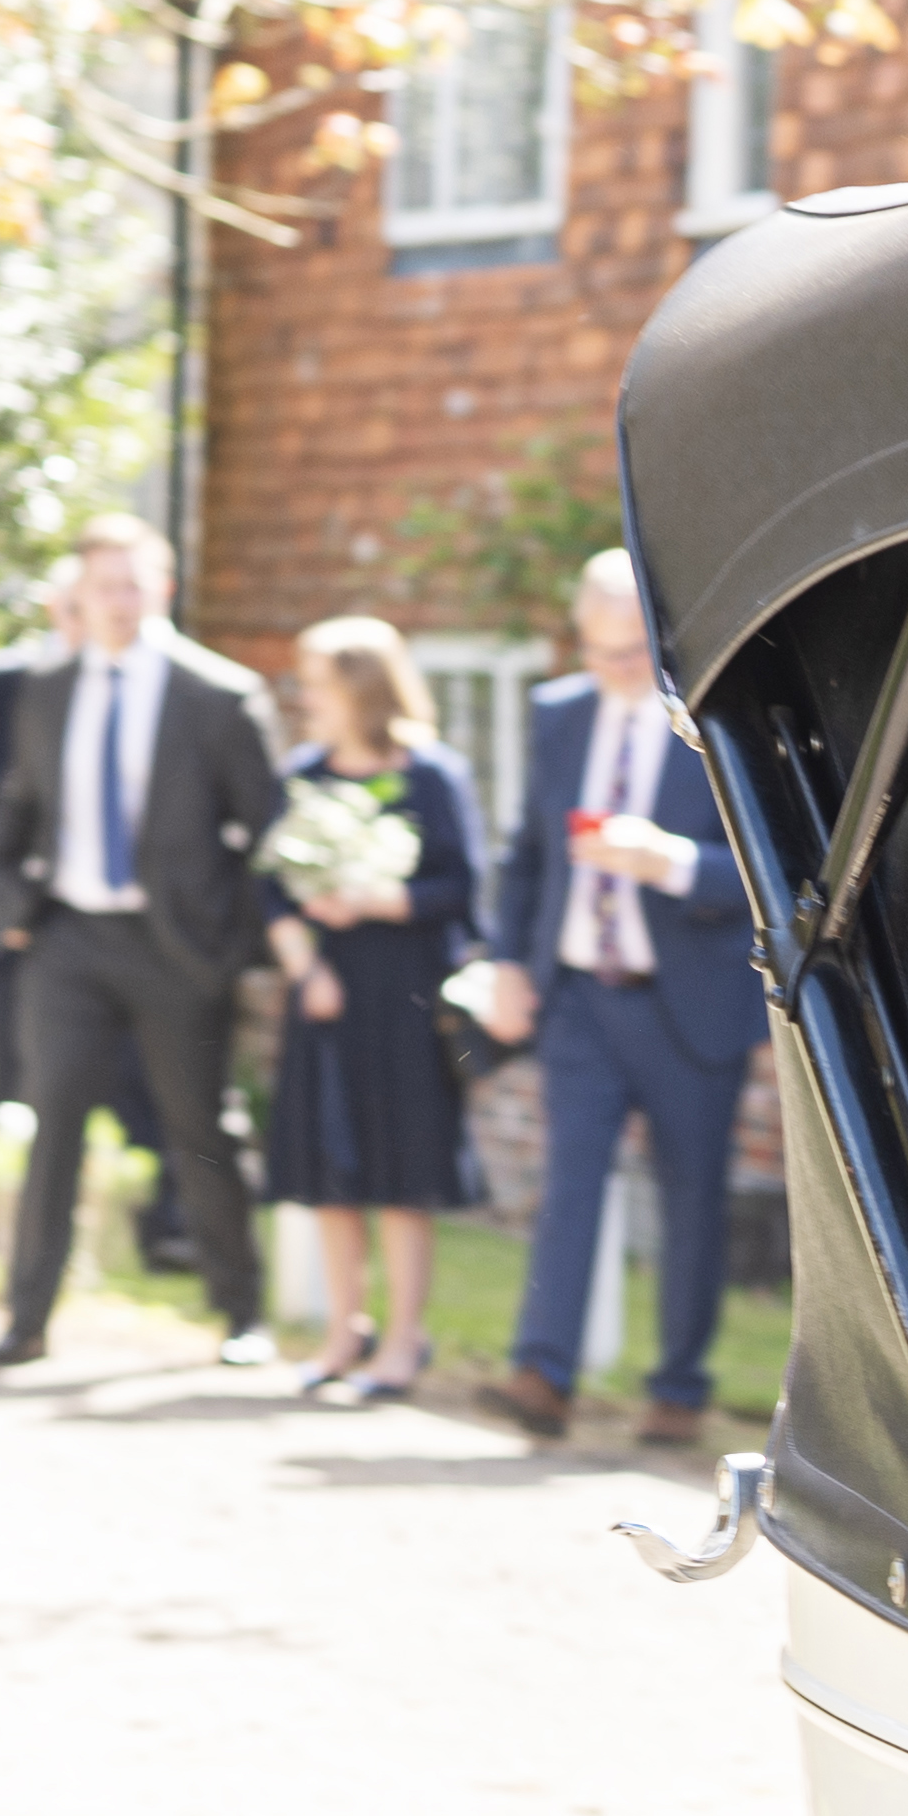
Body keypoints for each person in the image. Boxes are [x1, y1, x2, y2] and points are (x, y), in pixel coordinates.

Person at [0, 511, 285, 1371]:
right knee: (55, 1128)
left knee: (198, 1129)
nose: (113, 602)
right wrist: (0, 894)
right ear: (77, 596)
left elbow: (267, 829)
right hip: (69, 938)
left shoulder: (217, 696)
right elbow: (20, 803)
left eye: (129, 584)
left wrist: (229, 944)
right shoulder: (49, 689)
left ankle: (239, 1312)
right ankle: (27, 1317)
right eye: (98, 587)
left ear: (162, 588)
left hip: (175, 947)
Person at [476, 549, 759, 1449]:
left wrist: (668, 862)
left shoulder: (721, 719)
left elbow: (770, 867)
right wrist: (507, 963)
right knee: (569, 1187)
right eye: (597, 652)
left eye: (630, 652)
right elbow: (527, 853)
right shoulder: (558, 713)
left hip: (688, 1003)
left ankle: (679, 1389)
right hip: (578, 1000)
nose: (613, 671)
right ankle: (542, 1377)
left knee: (690, 1199)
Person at [0, 589, 191, 1266]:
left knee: (140, 1083)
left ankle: (159, 1228)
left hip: (117, 926)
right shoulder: (6, 683)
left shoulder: (152, 691)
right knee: (21, 1080)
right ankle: (7, 1233)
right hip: (16, 919)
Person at [260, 614, 488, 1403]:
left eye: (317, 683)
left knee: (401, 1172)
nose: (305, 698)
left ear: (361, 687)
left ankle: (402, 1342)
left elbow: (462, 886)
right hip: (325, 994)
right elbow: (268, 887)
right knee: (331, 1169)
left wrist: (381, 899)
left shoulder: (430, 776)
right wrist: (304, 966)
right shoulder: (301, 776)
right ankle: (340, 1335)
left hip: (405, 995)